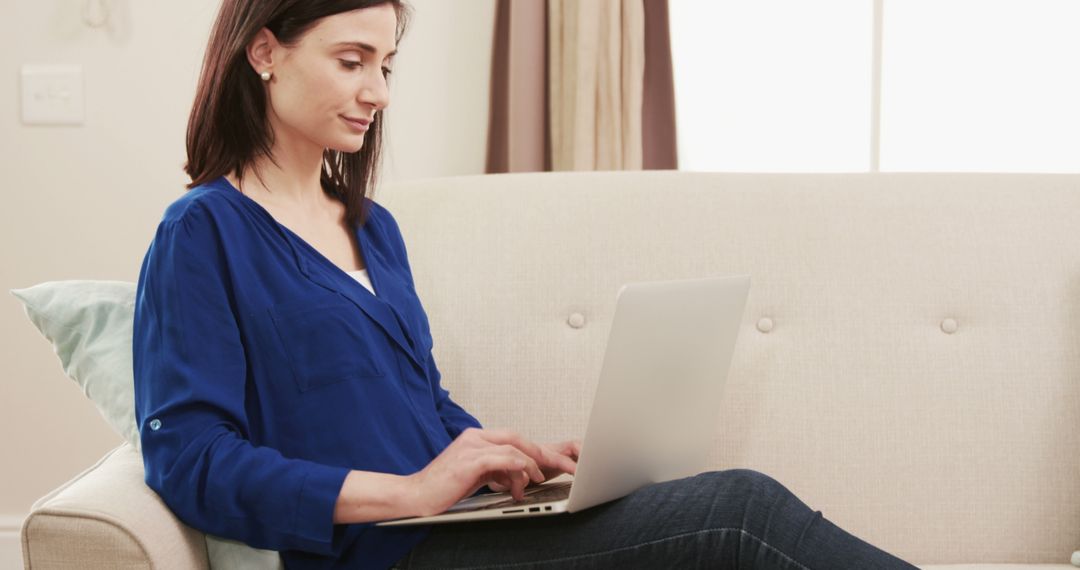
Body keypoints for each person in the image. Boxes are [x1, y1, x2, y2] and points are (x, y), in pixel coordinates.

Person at [132, 1, 921, 568]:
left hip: (454, 531)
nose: (378, 91)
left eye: (385, 64)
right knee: (739, 512)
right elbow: (191, 460)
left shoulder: (371, 227)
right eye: (351, 61)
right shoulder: (202, 233)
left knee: (722, 506)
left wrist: (502, 455)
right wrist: (408, 493)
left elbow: (419, 404)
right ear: (265, 52)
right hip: (381, 553)